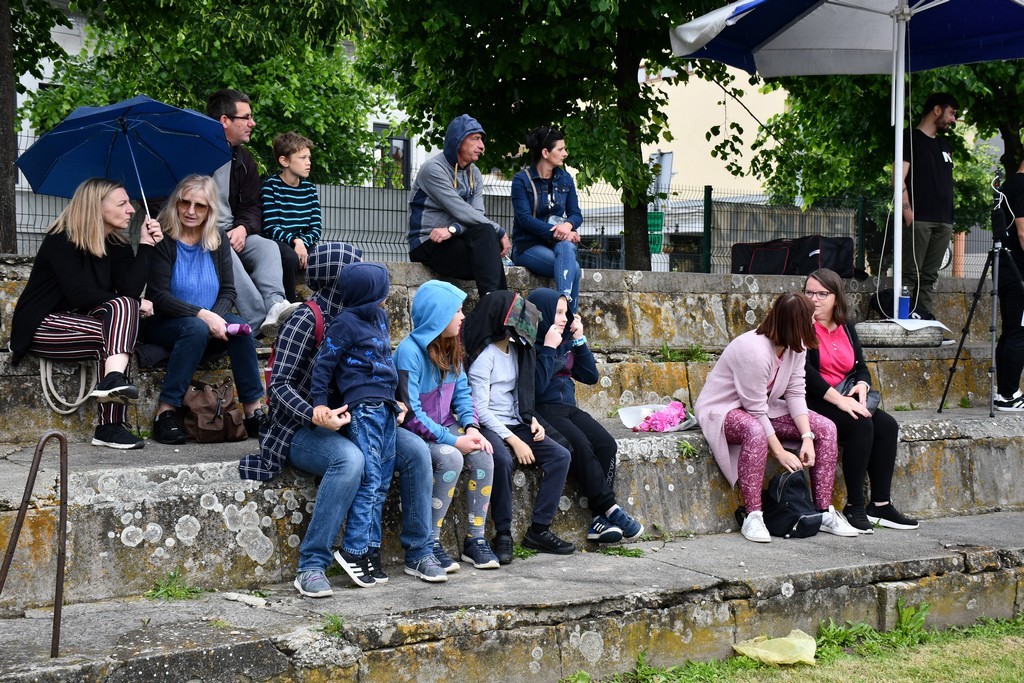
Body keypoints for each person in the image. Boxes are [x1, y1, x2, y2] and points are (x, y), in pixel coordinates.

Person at [239, 243, 446, 596]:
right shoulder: (306, 320)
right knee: (350, 461)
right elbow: (279, 386)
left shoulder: (370, 317)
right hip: (299, 428)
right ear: (341, 281)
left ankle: (419, 550)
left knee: (416, 451)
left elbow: (380, 368)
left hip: (357, 418)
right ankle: (312, 564)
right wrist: (314, 413)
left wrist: (392, 402)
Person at [10, 178, 162, 450]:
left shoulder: (116, 244)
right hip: (44, 325)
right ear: (97, 206)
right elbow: (80, 294)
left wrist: (147, 245)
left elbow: (129, 288)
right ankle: (110, 422)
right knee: (122, 325)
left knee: (122, 319)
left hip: (83, 326)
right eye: (122, 203)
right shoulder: (61, 240)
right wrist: (134, 303)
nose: (131, 210)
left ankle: (110, 416)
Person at [694, 293, 859, 543]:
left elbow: (795, 391)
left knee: (825, 428)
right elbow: (755, 410)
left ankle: (823, 510)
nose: (814, 324)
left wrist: (806, 437)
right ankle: (754, 515)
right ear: (794, 325)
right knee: (755, 432)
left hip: (766, 406)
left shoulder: (796, 345)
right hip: (723, 409)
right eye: (809, 320)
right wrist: (780, 452)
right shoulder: (754, 351)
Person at [143, 175, 266, 445]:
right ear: (175, 203)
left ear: (210, 210)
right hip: (167, 323)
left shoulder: (217, 239)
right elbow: (159, 296)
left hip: (207, 321)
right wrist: (204, 315)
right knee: (196, 327)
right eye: (184, 203)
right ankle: (165, 413)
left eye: (200, 206)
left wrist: (216, 318)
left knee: (242, 330)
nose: (190, 211)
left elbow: (228, 291)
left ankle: (253, 411)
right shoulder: (162, 238)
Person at [396, 280, 500, 571]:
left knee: (482, 454)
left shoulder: (453, 345)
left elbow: (463, 392)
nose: (463, 316)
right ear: (437, 316)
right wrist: (453, 441)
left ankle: (475, 540)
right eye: (456, 311)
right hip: (415, 431)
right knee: (451, 457)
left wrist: (471, 427)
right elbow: (413, 414)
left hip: (445, 426)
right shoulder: (408, 353)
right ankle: (431, 541)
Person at [803, 269, 919, 531]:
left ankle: (880, 506)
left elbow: (860, 366)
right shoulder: (802, 325)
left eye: (822, 294)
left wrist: (862, 385)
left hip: (844, 396)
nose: (815, 299)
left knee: (887, 425)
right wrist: (840, 401)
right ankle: (854, 505)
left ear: (836, 298)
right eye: (809, 292)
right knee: (860, 424)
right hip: (813, 399)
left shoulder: (846, 326)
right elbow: (805, 374)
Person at [309, 262, 401, 588]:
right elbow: (323, 366)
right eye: (381, 293)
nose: (386, 299)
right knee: (370, 478)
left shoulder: (380, 317)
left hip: (387, 407)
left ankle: (371, 551)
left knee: (383, 480)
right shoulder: (344, 324)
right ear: (367, 294)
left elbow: (387, 362)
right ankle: (353, 550)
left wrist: (396, 399)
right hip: (364, 408)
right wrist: (320, 403)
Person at [527, 288, 643, 543]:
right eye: (557, 312)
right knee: (580, 445)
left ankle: (598, 519)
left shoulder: (566, 341)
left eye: (565, 312)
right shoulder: (530, 344)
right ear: (542, 313)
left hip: (568, 407)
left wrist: (580, 341)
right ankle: (610, 509)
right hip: (543, 409)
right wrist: (548, 348)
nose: (564, 318)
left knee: (606, 444)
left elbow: (590, 376)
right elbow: (534, 387)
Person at [465, 291, 574, 561]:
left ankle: (539, 530)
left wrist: (531, 419)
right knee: (501, 459)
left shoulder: (516, 350)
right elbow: (480, 409)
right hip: (488, 424)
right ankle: (503, 532)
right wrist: (513, 440)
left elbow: (519, 394)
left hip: (516, 421)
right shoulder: (485, 356)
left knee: (561, 456)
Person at [206, 89, 299, 335]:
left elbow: (252, 206)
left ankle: (276, 305)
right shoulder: (194, 155)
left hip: (234, 231)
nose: (252, 123)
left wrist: (243, 228)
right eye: (245, 117)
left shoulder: (244, 160)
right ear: (225, 120)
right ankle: (258, 322)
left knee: (267, 247)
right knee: (223, 250)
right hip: (202, 236)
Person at [407, 114, 512, 296]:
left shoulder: (475, 173)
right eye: (476, 139)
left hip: (454, 238)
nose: (482, 146)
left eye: (482, 140)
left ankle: (494, 307)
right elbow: (461, 210)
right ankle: (500, 312)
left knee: (486, 237)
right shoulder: (433, 169)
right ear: (458, 141)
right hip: (428, 242)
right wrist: (500, 231)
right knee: (490, 258)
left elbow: (476, 213)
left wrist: (453, 229)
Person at [901, 92, 958, 320]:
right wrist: (908, 214)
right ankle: (903, 319)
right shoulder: (909, 139)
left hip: (944, 221)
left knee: (930, 276)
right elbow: (899, 179)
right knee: (910, 274)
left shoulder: (945, 145)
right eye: (951, 113)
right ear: (937, 110)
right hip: (920, 219)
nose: (953, 119)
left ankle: (923, 319)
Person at [513, 128, 583, 311]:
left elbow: (576, 214)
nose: (565, 153)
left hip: (557, 244)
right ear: (545, 153)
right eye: (560, 149)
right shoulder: (522, 180)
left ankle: (563, 314)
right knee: (573, 268)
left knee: (568, 247)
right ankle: (568, 317)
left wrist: (568, 226)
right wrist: (560, 231)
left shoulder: (565, 179)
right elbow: (524, 219)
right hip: (527, 246)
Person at [261, 132, 322, 303]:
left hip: (304, 243)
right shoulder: (271, 186)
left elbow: (316, 227)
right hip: (282, 242)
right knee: (289, 258)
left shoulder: (309, 190)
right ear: (284, 161)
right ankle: (288, 304)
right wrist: (295, 241)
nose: (308, 162)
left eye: (309, 157)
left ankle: (322, 305)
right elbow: (271, 227)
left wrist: (302, 241)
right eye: (302, 158)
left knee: (325, 258)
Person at [996, 159, 1024, 411]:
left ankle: (1006, 392)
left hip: (1005, 268)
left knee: (1010, 331)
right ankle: (1008, 394)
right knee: (1019, 332)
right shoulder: (1023, 186)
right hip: (1019, 271)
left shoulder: (1008, 185)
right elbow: (1023, 232)